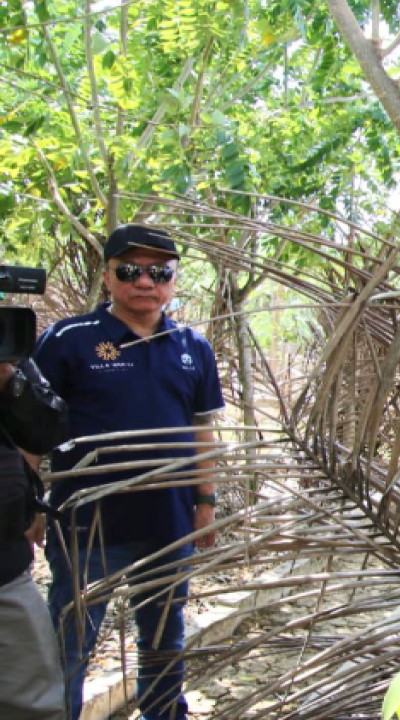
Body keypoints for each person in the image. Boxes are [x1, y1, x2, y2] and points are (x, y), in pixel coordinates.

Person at [32, 225, 224, 720]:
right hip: (86, 525)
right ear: (108, 276)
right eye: (131, 270)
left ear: (173, 279)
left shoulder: (192, 346)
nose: (145, 281)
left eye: (159, 272)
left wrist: (206, 503)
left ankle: (164, 714)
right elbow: (27, 425)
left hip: (168, 523)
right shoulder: (69, 340)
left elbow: (201, 431)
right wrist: (28, 501)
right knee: (71, 640)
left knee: (164, 637)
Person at [1, 357, 69, 720]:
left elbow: (47, 431)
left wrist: (10, 380)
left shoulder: (8, 351)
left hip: (5, 571)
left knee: (32, 705)